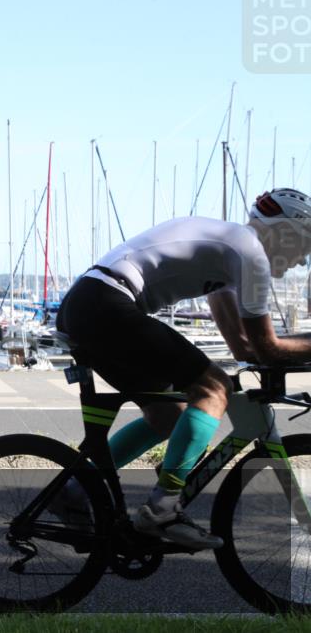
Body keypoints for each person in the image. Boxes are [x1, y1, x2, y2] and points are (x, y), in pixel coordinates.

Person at [54, 188, 311, 550]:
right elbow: (267, 348)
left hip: (90, 303)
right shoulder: (249, 252)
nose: (302, 260)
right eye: (306, 245)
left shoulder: (230, 255)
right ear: (287, 232)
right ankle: (163, 509)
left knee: (168, 416)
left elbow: (243, 347)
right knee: (214, 389)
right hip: (105, 303)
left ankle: (75, 491)